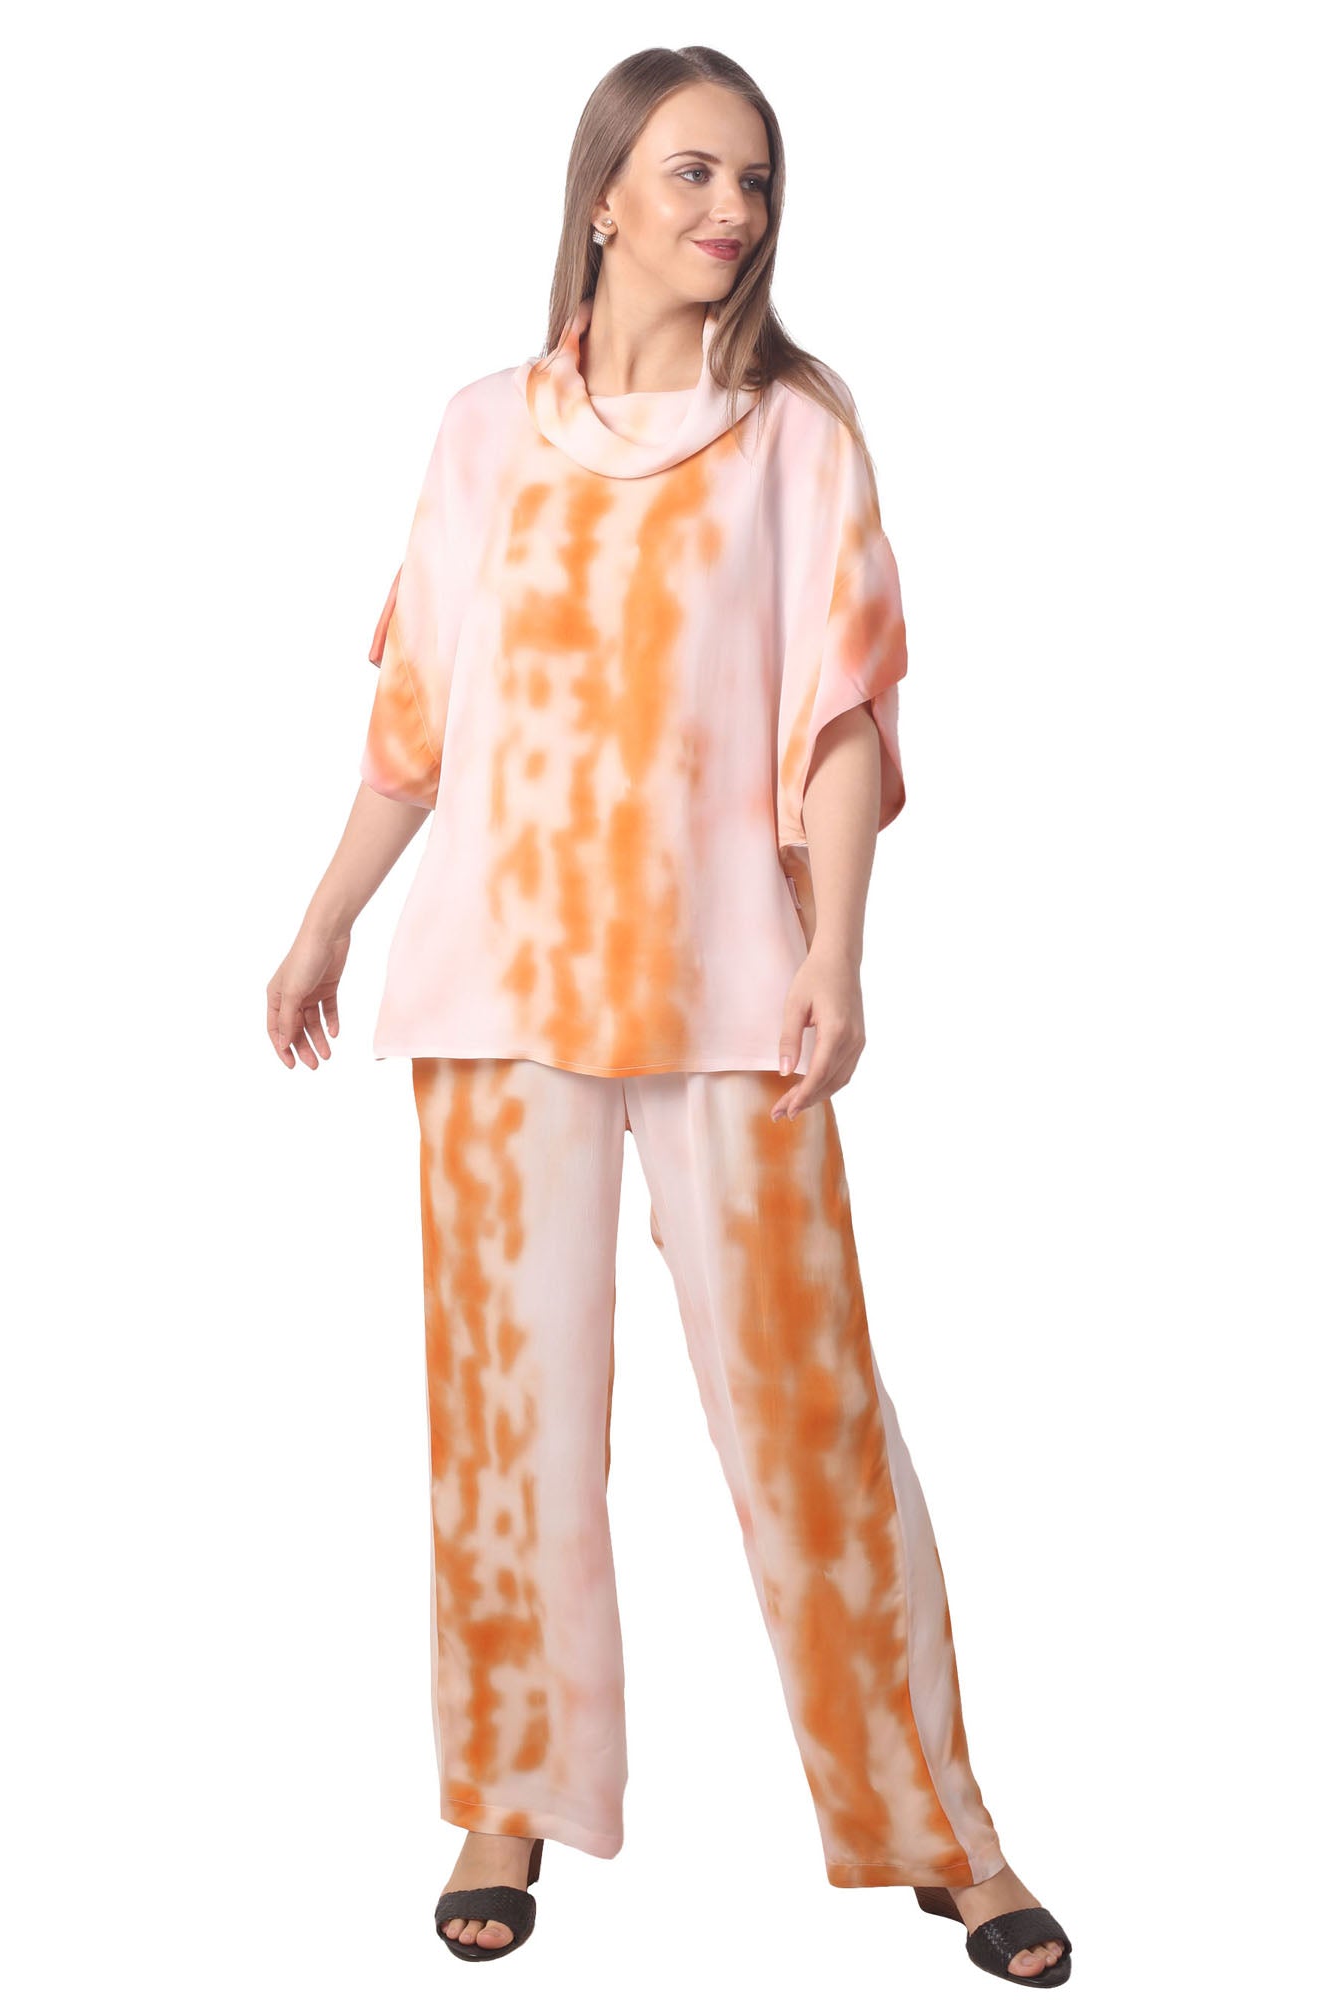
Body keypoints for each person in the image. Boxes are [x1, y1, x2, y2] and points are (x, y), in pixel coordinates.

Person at [267, 45, 1073, 1988]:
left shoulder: (794, 437)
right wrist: (321, 922)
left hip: (725, 984)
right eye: (695, 173)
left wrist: (835, 951)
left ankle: (934, 1823)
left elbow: (841, 716)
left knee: (807, 1409)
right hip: (490, 983)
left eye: (756, 181)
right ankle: (507, 1793)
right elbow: (417, 720)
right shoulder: (480, 430)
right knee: (506, 1420)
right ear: (605, 194)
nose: (731, 211)